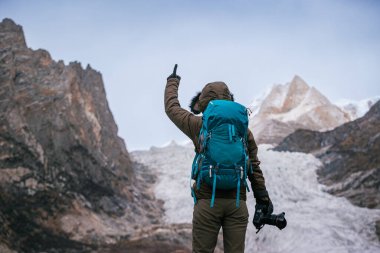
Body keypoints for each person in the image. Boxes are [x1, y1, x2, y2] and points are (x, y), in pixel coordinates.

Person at [164, 65, 273, 253]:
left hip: (207, 202)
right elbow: (253, 168)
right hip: (236, 204)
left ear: (205, 103)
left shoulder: (198, 125)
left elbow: (172, 108)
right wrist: (263, 199)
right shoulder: (243, 132)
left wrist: (172, 82)